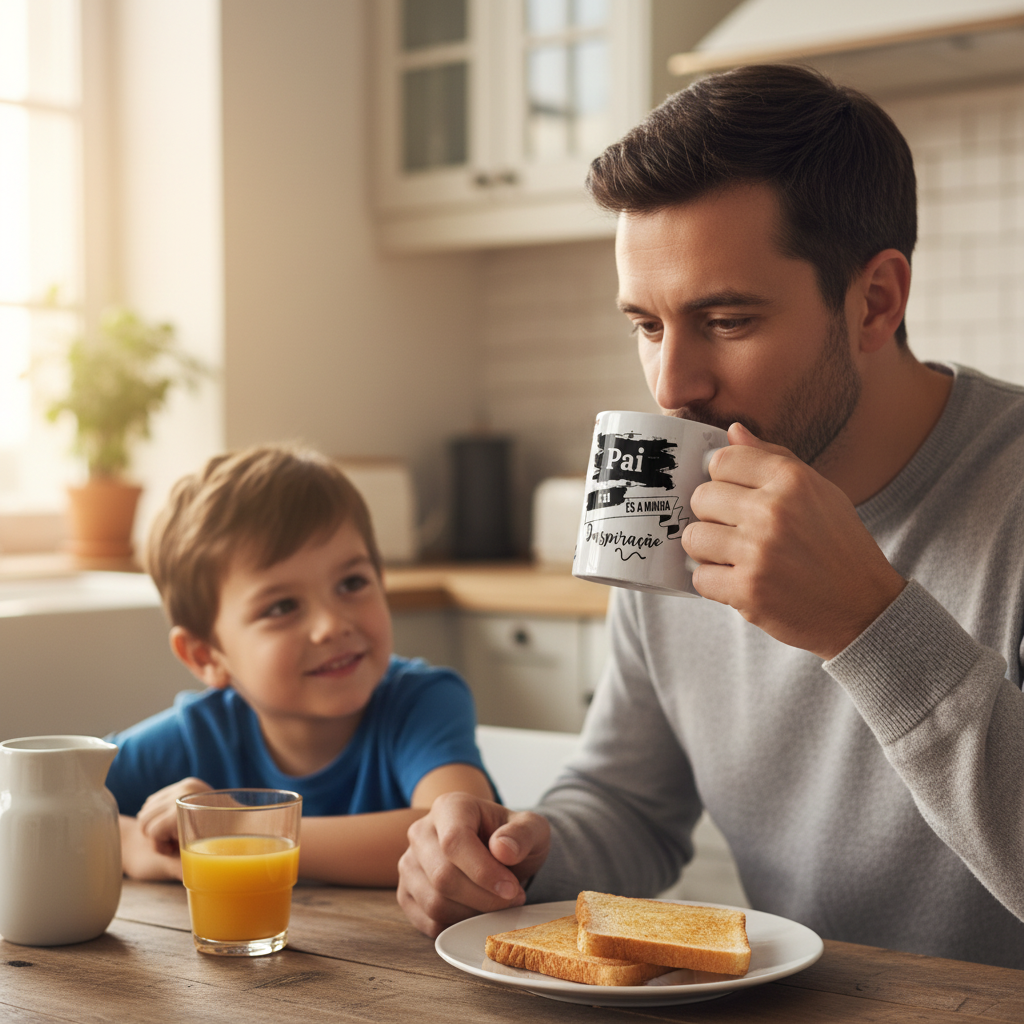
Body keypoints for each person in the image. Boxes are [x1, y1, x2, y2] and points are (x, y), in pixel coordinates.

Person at [396, 64, 1024, 969]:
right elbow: (630, 804)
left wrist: (868, 623)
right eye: (647, 326)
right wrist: (518, 857)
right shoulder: (671, 490)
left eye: (725, 320)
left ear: (876, 301)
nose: (672, 386)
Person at [107, 444, 494, 885]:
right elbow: (25, 799)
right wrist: (137, 845)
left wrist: (239, 832)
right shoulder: (198, 733)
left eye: (352, 583)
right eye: (282, 607)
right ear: (206, 656)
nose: (331, 625)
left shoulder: (423, 702)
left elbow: (455, 839)